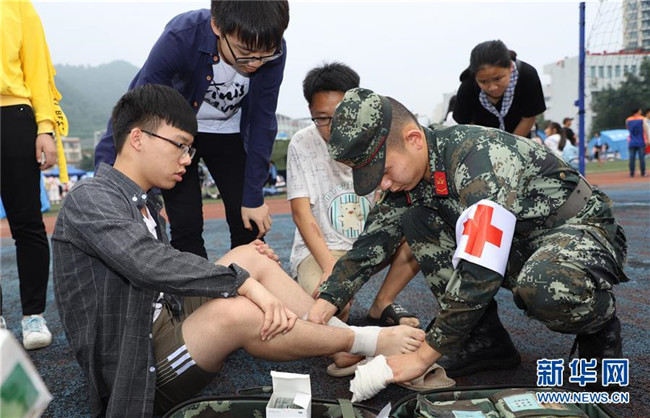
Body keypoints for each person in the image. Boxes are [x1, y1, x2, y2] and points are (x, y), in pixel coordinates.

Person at [52, 85, 425, 416]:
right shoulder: (90, 198)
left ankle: (340, 344)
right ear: (138, 138)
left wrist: (243, 275)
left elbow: (162, 273)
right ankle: (365, 340)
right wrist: (242, 285)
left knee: (249, 255)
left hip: (163, 315)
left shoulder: (144, 199)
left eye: (189, 148)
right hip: (138, 366)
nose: (187, 158)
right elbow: (146, 262)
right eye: (180, 145)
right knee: (239, 310)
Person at [306, 88, 628, 400]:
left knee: (544, 285)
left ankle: (599, 329)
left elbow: (480, 269)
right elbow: (371, 243)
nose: (385, 184)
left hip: (577, 229)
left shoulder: (478, 159)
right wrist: (326, 302)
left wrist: (422, 356)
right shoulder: (414, 173)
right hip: (520, 243)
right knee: (418, 219)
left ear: (413, 139)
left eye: (385, 171)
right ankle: (485, 340)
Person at [94, 1, 290, 257]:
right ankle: (196, 282)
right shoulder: (181, 36)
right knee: (186, 224)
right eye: (245, 51)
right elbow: (138, 106)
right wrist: (107, 177)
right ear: (217, 26)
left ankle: (250, 280)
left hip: (230, 133)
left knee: (249, 223)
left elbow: (263, 121)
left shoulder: (273, 48)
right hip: (180, 135)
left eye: (266, 54)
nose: (255, 63)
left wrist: (254, 197)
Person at [286, 62, 420, 329]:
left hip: (367, 247)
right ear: (310, 112)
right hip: (322, 251)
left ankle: (382, 303)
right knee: (336, 310)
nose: (332, 126)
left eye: (340, 116)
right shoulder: (302, 143)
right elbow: (301, 213)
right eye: (322, 118)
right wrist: (331, 270)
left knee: (425, 228)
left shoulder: (376, 136)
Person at [0, 0, 68, 349]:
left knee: (27, 224)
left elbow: (37, 69)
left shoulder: (17, 6)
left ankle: (33, 316)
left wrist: (44, 126)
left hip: (12, 114)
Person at [453, 40, 546, 138]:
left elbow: (528, 119)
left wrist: (509, 145)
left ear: (510, 66)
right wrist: (484, 144)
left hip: (519, 139)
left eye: (498, 79)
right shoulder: (468, 85)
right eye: (483, 82)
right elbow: (466, 125)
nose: (492, 87)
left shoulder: (527, 76)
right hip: (481, 141)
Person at [626, 107, 647, 177]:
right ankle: (643, 173)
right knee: (642, 158)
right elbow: (645, 129)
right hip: (641, 141)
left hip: (632, 141)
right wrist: (647, 139)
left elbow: (628, 128)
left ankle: (631, 173)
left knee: (632, 158)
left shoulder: (628, 120)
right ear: (638, 111)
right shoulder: (643, 119)